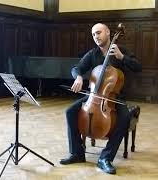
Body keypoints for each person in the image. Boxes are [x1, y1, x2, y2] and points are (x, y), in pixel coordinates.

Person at [59, 23, 142, 174]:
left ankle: (105, 158)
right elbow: (76, 68)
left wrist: (122, 57)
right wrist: (77, 76)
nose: (96, 37)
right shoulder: (93, 53)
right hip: (93, 96)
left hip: (115, 98)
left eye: (98, 33)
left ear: (108, 33)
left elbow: (138, 67)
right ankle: (77, 153)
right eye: (93, 35)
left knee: (124, 119)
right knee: (70, 111)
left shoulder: (121, 50)